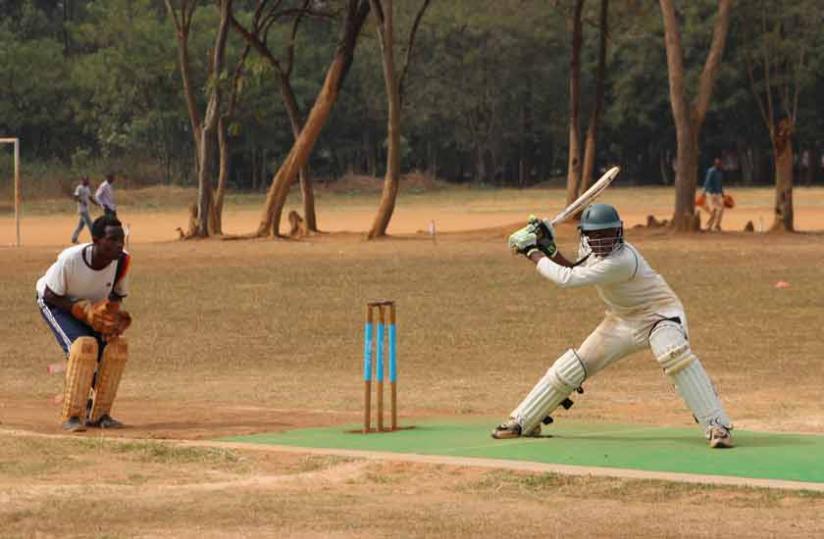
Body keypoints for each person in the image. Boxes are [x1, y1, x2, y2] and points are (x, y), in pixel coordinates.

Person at [494, 204, 733, 448]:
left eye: (606, 233)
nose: (601, 240)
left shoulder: (623, 260)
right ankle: (522, 421)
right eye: (594, 235)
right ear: (585, 235)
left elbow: (568, 279)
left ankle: (717, 427)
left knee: (674, 355)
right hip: (621, 319)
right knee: (574, 366)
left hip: (659, 315)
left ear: (618, 232)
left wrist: (532, 251)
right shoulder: (589, 249)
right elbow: (574, 268)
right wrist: (548, 246)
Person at [36, 214, 133, 432]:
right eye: (113, 240)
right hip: (56, 303)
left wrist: (109, 323)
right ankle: (72, 415)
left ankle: (100, 414)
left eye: (121, 240)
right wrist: (80, 310)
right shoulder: (71, 259)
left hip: (92, 308)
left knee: (113, 351)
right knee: (82, 349)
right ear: (96, 240)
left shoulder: (122, 261)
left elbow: (116, 296)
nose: (119, 245)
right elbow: (51, 295)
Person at [70, 176, 100, 244]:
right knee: (91, 225)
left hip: (86, 210)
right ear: (83, 181)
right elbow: (75, 197)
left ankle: (74, 238)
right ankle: (95, 239)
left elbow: (90, 197)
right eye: (87, 180)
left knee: (80, 226)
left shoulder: (87, 188)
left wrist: (97, 204)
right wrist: (82, 201)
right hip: (82, 210)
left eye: (88, 180)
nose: (88, 182)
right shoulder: (79, 188)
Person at [702, 158, 725, 231]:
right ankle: (709, 226)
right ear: (715, 164)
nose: (720, 165)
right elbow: (707, 182)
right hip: (711, 194)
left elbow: (720, 184)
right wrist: (704, 192)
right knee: (713, 210)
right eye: (719, 164)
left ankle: (716, 225)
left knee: (721, 209)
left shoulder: (720, 173)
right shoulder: (711, 171)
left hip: (718, 193)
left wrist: (722, 193)